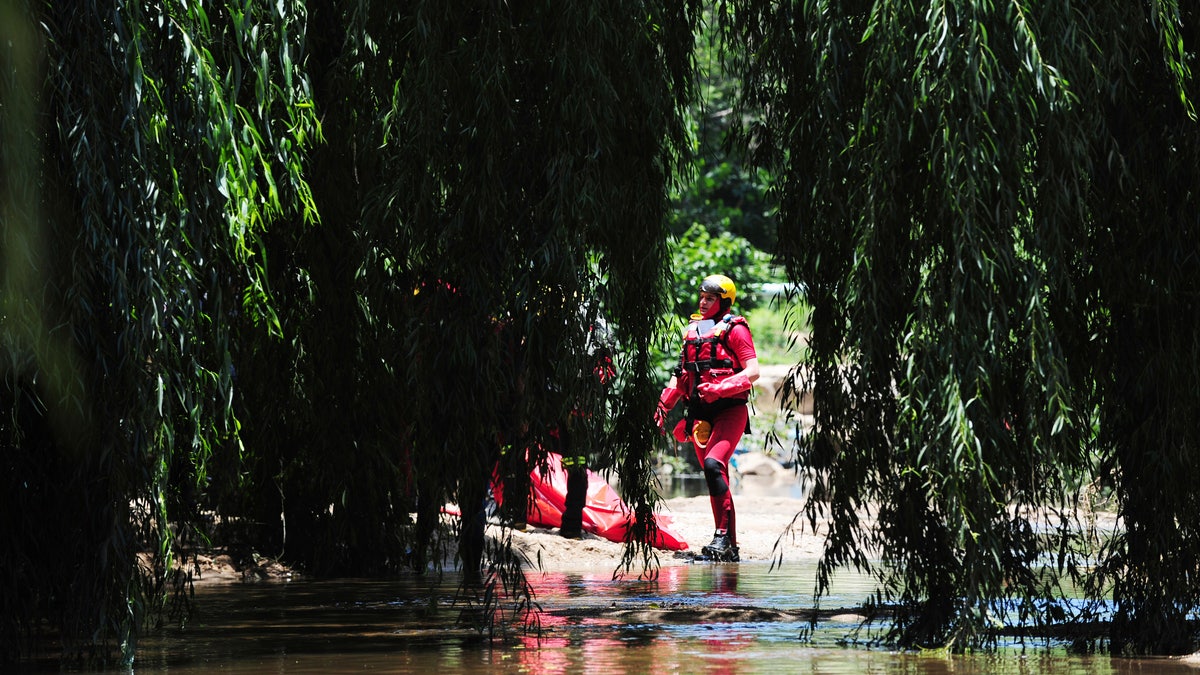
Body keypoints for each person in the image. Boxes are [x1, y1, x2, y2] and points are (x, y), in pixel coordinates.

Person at [655, 274, 759, 562]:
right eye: (701, 296)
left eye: (710, 298)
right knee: (714, 473)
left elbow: (752, 372)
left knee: (714, 465)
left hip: (729, 409)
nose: (703, 302)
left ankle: (723, 538)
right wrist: (663, 408)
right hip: (699, 414)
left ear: (723, 301)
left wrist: (720, 388)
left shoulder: (735, 329)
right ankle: (727, 544)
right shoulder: (693, 331)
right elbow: (681, 378)